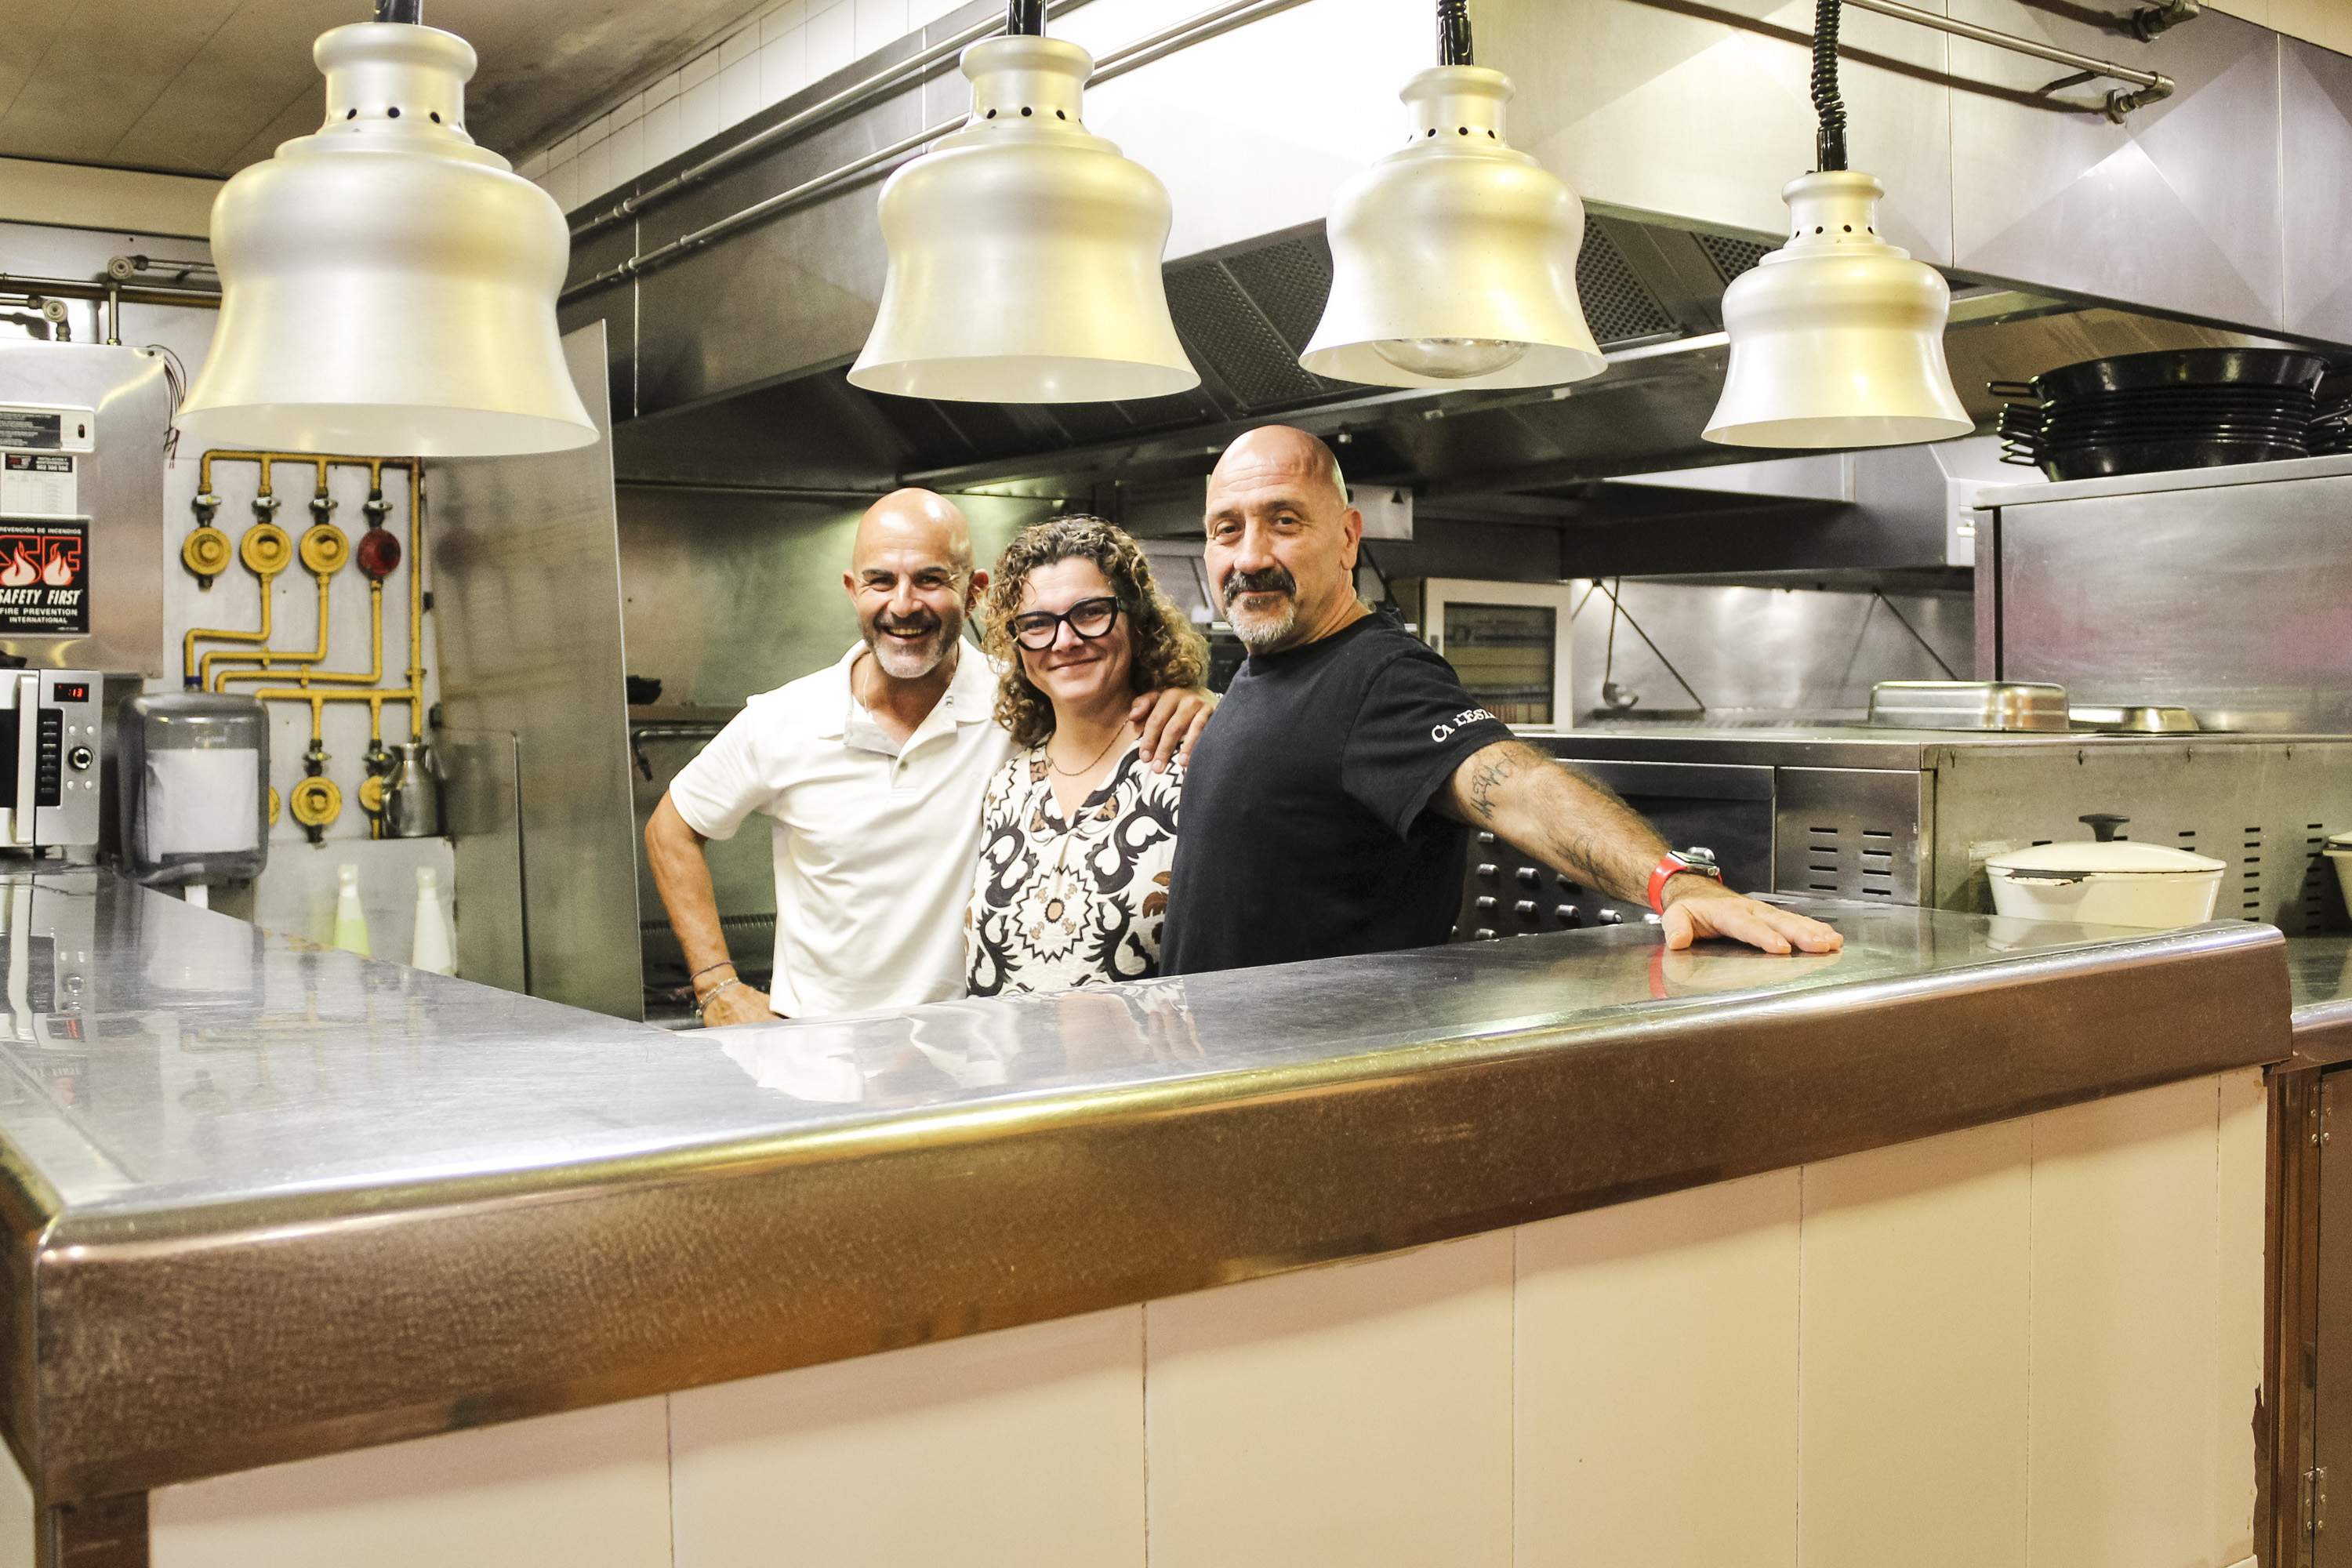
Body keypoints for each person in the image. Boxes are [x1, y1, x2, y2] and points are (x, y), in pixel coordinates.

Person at [1159, 426, 1844, 976]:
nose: (1250, 555)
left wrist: (1675, 883)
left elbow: (1516, 785)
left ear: (1346, 538)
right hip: (1220, 1078)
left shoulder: (1381, 675)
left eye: (1283, 521)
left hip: (1308, 1097)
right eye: (1226, 529)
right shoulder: (1269, 673)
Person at [645, 489, 1211, 1025]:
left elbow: (1101, 697)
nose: (903, 604)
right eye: (880, 581)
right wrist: (717, 985)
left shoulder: (1017, 703)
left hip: (972, 1057)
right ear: (852, 590)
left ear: (975, 591)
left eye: (930, 579)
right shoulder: (785, 717)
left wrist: (1196, 698)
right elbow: (670, 829)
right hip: (815, 1060)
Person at [965, 517, 1205, 996]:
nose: (1065, 640)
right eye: (1036, 624)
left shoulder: (1189, 761)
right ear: (1017, 644)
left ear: (1138, 623)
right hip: (1007, 1069)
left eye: (1091, 612)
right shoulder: (1006, 786)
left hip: (1150, 1069)